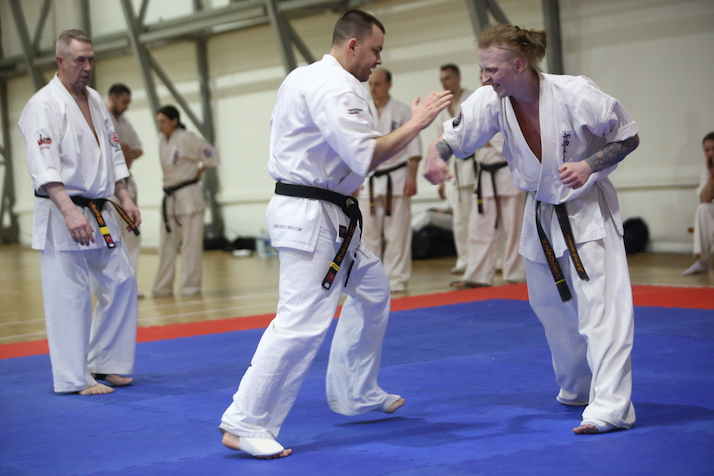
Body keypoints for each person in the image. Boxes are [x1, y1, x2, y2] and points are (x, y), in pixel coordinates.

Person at [219, 10, 451, 459]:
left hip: (326, 212)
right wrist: (416, 123)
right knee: (301, 322)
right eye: (375, 50)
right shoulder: (335, 86)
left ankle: (355, 389)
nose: (378, 60)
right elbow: (365, 155)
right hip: (312, 216)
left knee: (373, 288)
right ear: (352, 45)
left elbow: (343, 153)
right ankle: (245, 421)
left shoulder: (305, 76)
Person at [424, 24, 639, 435]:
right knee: (551, 308)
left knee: (603, 309)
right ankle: (579, 388)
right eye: (482, 69)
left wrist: (588, 165)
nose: (484, 78)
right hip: (539, 213)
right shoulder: (491, 99)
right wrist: (437, 156)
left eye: (492, 70)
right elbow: (453, 138)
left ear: (519, 64)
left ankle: (611, 407)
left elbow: (627, 136)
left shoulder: (575, 92)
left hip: (585, 210)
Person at [18, 29, 140, 395]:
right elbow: (44, 165)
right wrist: (69, 211)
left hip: (100, 208)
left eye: (91, 59)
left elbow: (114, 153)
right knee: (69, 293)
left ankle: (106, 360)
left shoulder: (95, 99)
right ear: (61, 61)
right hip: (63, 209)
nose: (87, 67)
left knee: (121, 279)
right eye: (79, 60)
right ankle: (73, 377)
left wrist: (125, 196)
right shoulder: (43, 105)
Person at [450, 70, 526, 289]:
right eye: (482, 74)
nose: (485, 79)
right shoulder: (476, 103)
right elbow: (465, 137)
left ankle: (516, 273)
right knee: (479, 227)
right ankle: (478, 274)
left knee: (514, 227)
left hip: (508, 171)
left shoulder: (514, 99)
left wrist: (484, 138)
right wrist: (479, 138)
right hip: (484, 174)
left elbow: (515, 137)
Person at [357, 67, 422, 292]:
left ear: (389, 85)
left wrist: (412, 178)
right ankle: (371, 279)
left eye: (378, 84)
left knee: (398, 234)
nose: (373, 88)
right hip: (368, 178)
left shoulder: (402, 111)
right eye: (370, 84)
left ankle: (397, 279)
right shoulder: (361, 111)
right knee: (368, 235)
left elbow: (414, 149)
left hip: (397, 177)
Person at [151, 105, 219, 297]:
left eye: (163, 121)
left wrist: (199, 171)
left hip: (189, 196)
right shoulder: (162, 140)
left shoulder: (186, 137)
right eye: (158, 122)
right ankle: (162, 288)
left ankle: (190, 287)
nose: (160, 125)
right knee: (166, 245)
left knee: (191, 245)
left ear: (174, 121)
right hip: (170, 197)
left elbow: (211, 154)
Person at [435, 64, 475, 274]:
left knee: (480, 219)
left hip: (476, 167)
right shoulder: (442, 107)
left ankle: (490, 260)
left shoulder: (471, 100)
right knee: (460, 220)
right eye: (442, 79)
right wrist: (441, 180)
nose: (445, 83)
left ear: (458, 78)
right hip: (454, 171)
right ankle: (464, 260)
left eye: (448, 78)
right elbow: (441, 145)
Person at [107, 83, 143, 282]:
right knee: (113, 235)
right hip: (109, 184)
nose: (127, 106)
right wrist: (117, 149)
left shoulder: (125, 122)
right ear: (113, 98)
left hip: (127, 181)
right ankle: (115, 283)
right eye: (124, 102)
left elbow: (139, 150)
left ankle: (130, 283)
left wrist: (128, 152)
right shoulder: (101, 119)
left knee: (132, 234)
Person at [682, 131, 714, 275]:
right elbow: (705, 199)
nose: (711, 153)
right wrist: (712, 175)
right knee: (703, 209)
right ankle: (701, 262)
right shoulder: (708, 169)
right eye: (707, 150)